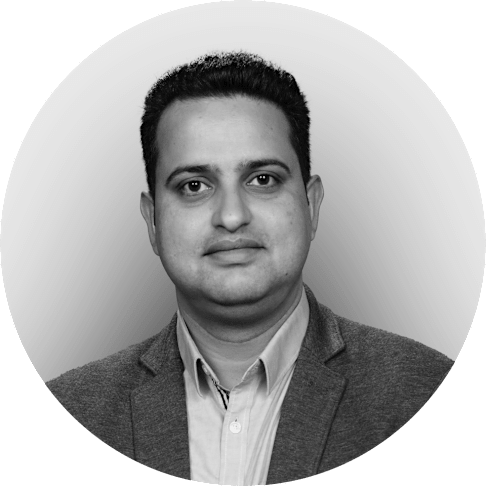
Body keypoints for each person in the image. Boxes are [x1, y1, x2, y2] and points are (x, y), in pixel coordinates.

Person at [46, 52, 453, 485]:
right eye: (194, 186)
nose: (232, 216)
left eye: (263, 179)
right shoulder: (66, 414)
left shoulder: (431, 394)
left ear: (311, 205)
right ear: (153, 221)